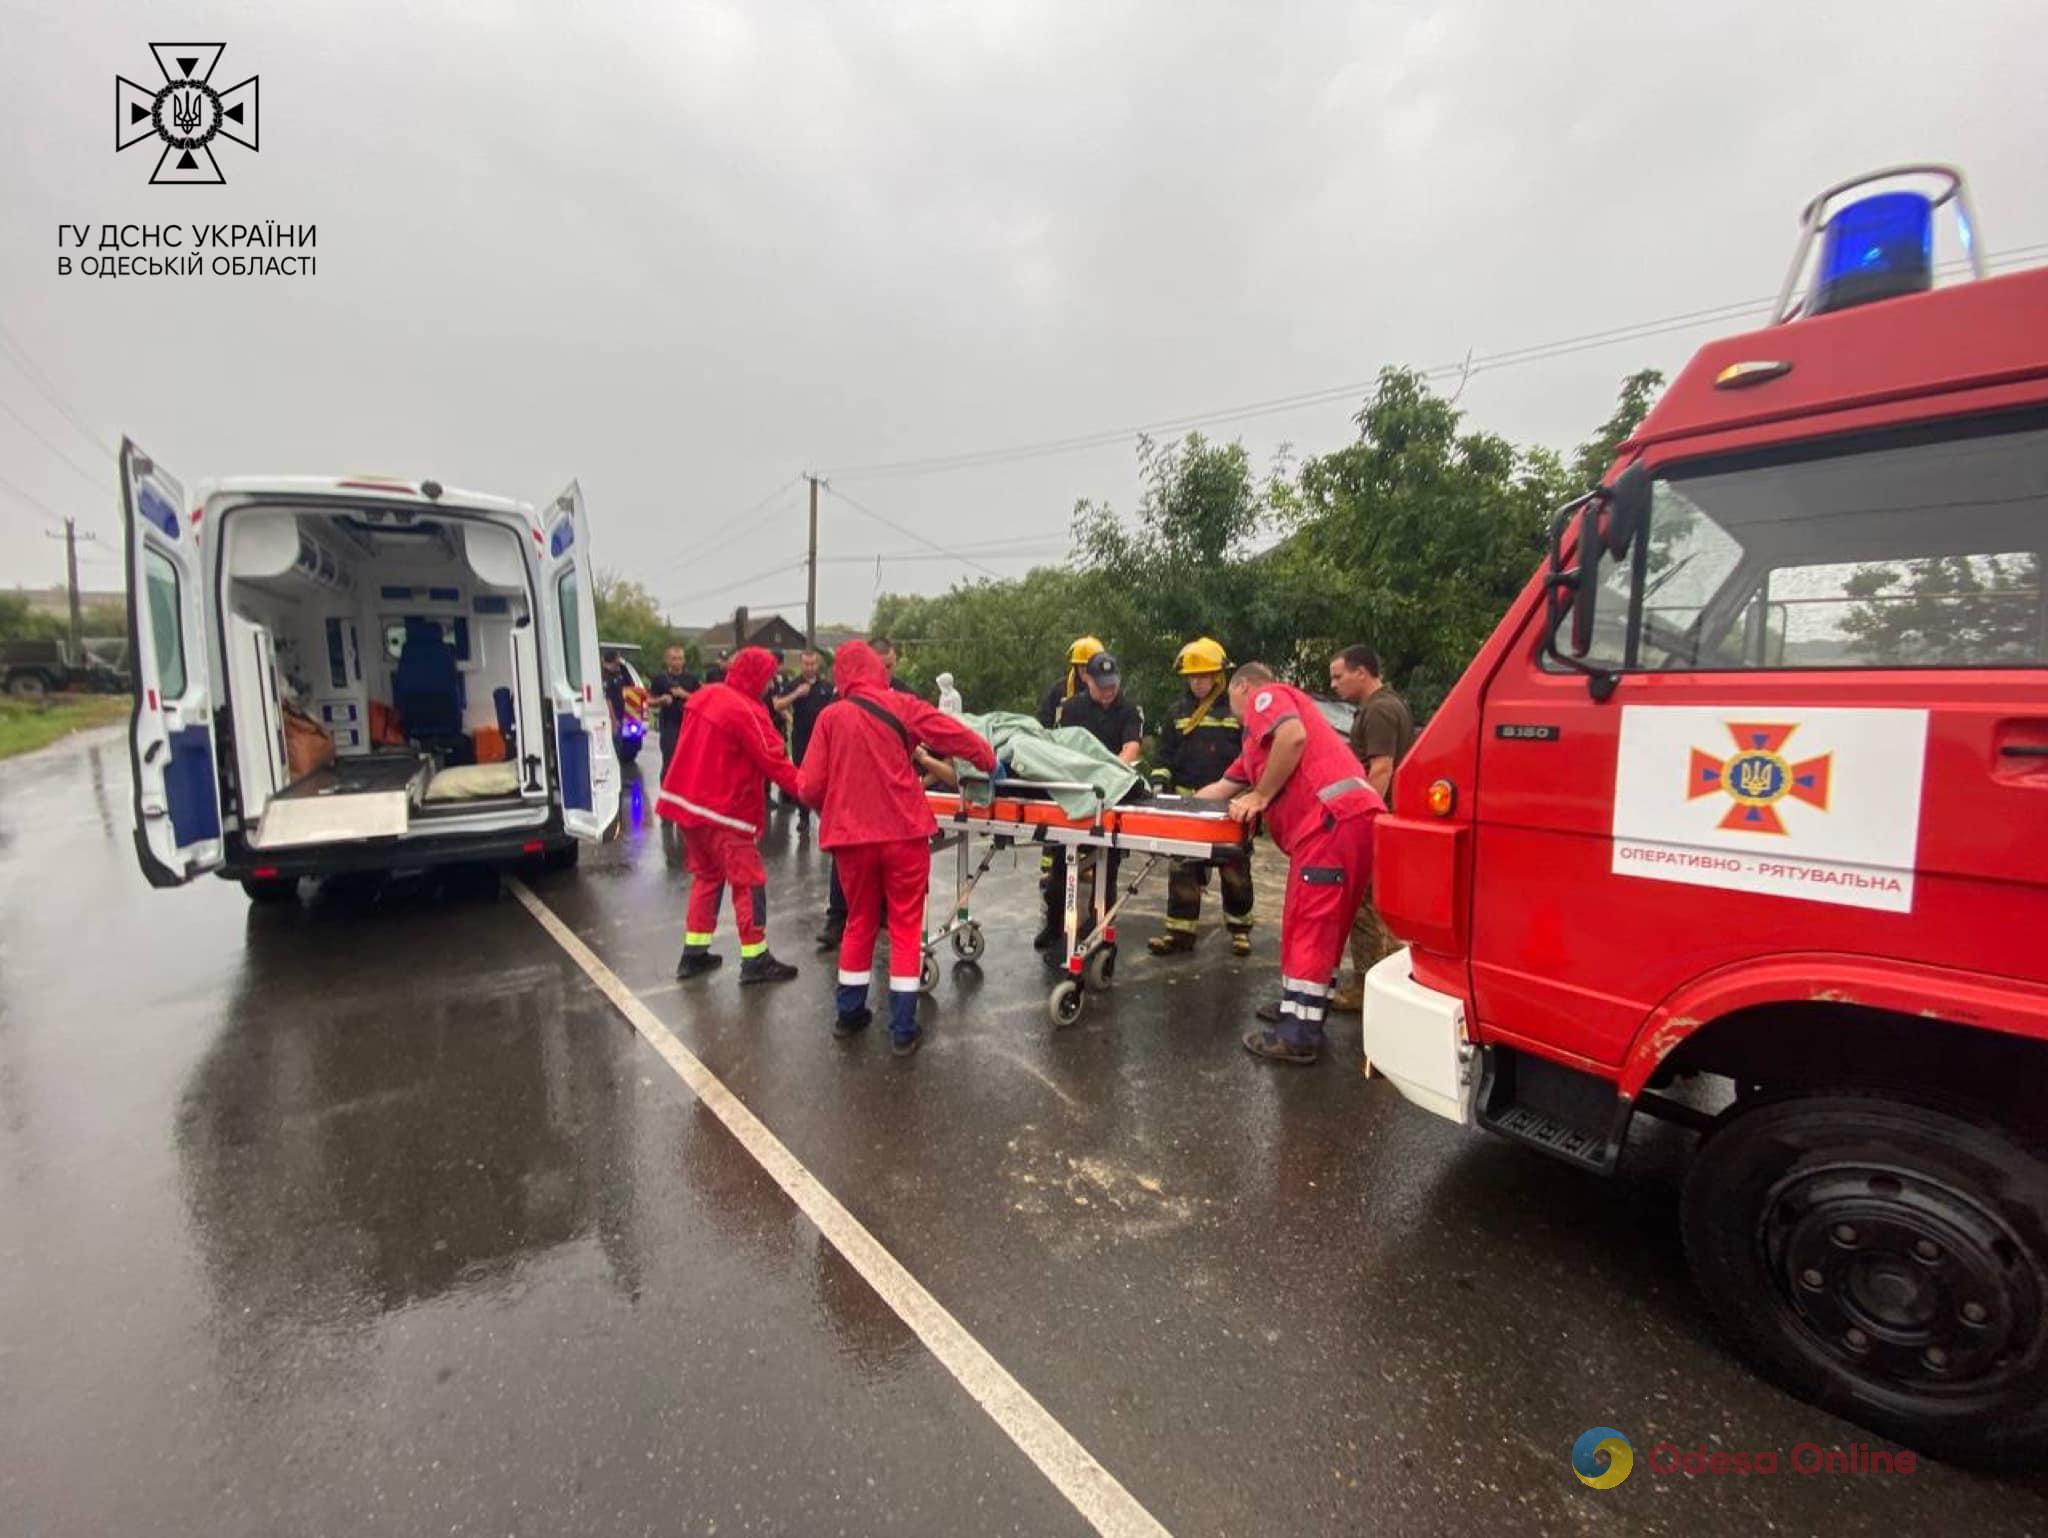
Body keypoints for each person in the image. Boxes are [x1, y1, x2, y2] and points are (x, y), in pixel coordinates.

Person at [798, 640, 996, 1057]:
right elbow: (954, 734)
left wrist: (835, 809)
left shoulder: (829, 717)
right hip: (903, 833)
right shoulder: (903, 705)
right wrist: (988, 759)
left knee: (859, 922)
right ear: (876, 669)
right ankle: (903, 1030)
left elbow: (809, 787)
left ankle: (849, 1016)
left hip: (851, 840)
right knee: (905, 928)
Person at [1194, 662, 1383, 1066]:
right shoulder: (1257, 746)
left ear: (1244, 686)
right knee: (1316, 923)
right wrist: (1174, 804)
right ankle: (1302, 1011)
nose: (1234, 711)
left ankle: (1298, 1034)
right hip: (1345, 824)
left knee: (1310, 923)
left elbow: (1293, 737)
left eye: (1231, 699)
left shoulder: (1270, 696)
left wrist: (1260, 796)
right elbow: (1222, 789)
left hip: (1331, 823)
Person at [655, 645, 803, 986]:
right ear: (757, 677)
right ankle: (755, 958)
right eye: (767, 678)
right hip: (724, 810)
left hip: (688, 805)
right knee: (748, 881)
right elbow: (775, 761)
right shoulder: (746, 710)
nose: (769, 685)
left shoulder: (706, 696)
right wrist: (813, 791)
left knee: (707, 877)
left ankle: (694, 954)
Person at [1148, 637, 1254, 959]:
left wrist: (1251, 796)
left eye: (1204, 676)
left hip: (1228, 807)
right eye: (1192, 677)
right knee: (1183, 872)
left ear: (1219, 677)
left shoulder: (1237, 713)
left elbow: (1252, 757)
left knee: (1235, 873)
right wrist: (1158, 786)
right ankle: (1179, 934)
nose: (1197, 682)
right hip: (1187, 807)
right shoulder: (1177, 713)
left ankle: (1239, 930)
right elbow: (1164, 757)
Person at [1036, 650, 1144, 963]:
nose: (1109, 691)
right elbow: (1062, 749)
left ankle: (1093, 933)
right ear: (1087, 679)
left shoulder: (1128, 709)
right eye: (1102, 686)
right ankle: (1055, 927)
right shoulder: (1071, 708)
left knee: (1104, 876)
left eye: (1113, 684)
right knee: (1058, 875)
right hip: (1075, 795)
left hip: (1108, 797)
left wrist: (1108, 774)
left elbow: (1132, 747)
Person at [1327, 644, 1416, 1011]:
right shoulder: (1385, 705)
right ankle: (1380, 985)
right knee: (1375, 907)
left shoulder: (1379, 710)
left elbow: (1381, 769)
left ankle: (1372, 988)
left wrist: (1358, 817)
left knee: (1366, 907)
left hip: (1377, 821)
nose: (1333, 684)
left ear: (1361, 672)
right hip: (1387, 818)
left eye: (1338, 675)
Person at [774, 649, 835, 832]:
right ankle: (804, 817)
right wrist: (797, 694)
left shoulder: (826, 686)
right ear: (801, 664)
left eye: (813, 664)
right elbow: (777, 705)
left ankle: (827, 817)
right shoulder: (795, 684)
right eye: (806, 664)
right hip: (801, 738)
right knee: (802, 778)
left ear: (817, 665)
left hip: (823, 740)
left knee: (827, 778)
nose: (810, 668)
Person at [647, 644, 700, 770]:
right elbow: (648, 700)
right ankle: (666, 787)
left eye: (680, 658)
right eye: (674, 658)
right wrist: (660, 700)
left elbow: (701, 700)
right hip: (668, 725)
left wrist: (684, 695)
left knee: (689, 761)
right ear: (667, 660)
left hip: (688, 725)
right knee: (669, 761)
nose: (677, 662)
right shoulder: (660, 679)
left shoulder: (691, 679)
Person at [1038, 636, 1104, 727]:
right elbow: (1044, 722)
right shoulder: (1059, 691)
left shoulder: (1108, 691)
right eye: (1082, 666)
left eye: (1089, 665)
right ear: (1075, 666)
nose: (1085, 670)